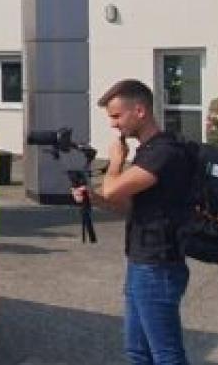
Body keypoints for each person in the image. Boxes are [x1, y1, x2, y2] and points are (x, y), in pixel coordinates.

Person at [72, 79, 197, 365]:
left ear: (139, 110)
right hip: (141, 261)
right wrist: (94, 198)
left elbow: (114, 188)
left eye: (117, 116)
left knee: (167, 355)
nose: (114, 125)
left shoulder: (163, 152)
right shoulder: (148, 152)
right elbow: (128, 205)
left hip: (159, 265)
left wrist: (115, 161)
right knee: (137, 352)